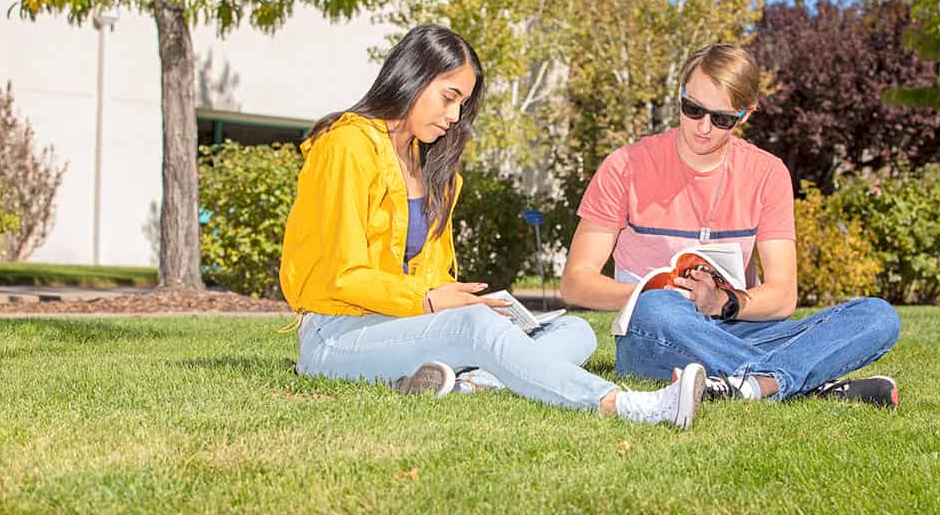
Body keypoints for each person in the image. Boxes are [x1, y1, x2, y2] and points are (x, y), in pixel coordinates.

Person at [279, 24, 707, 429]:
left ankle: (465, 384)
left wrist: (458, 303)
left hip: (399, 326)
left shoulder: (430, 165)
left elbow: (432, 276)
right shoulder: (348, 144)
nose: (454, 115)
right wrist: (431, 302)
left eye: (462, 104)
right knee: (476, 329)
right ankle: (628, 404)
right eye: (448, 97)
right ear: (412, 77)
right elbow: (343, 275)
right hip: (336, 336)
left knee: (574, 331)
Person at [560, 43, 902, 407]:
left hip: (743, 329)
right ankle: (799, 383)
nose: (703, 128)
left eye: (721, 118)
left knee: (878, 316)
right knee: (659, 309)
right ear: (680, 94)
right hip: (655, 332)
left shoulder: (767, 173)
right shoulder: (624, 166)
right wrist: (654, 293)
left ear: (745, 115)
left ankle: (747, 384)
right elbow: (575, 283)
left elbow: (783, 296)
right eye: (692, 110)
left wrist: (722, 302)